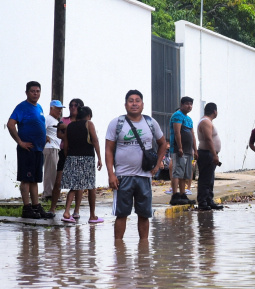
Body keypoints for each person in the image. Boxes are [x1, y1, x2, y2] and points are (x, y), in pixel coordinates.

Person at [105, 89, 168, 239]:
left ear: (143, 104)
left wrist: (158, 164)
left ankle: (143, 251)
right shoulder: (117, 123)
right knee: (121, 214)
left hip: (144, 176)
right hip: (122, 176)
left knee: (144, 214)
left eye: (137, 100)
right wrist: (111, 174)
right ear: (125, 105)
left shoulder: (151, 123)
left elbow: (163, 143)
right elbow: (108, 149)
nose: (134, 103)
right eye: (131, 101)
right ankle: (118, 250)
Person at [7, 81, 52, 219]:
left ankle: (35, 206)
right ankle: (26, 208)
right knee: (26, 179)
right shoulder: (22, 107)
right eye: (33, 91)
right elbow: (10, 124)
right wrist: (20, 142)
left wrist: (44, 136)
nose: (35, 93)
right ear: (27, 92)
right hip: (27, 149)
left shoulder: (39, 107)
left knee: (35, 179)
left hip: (38, 149)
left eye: (38, 91)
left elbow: (37, 125)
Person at [61, 106, 103, 223]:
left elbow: (66, 145)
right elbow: (95, 140)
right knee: (91, 187)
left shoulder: (70, 126)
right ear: (88, 115)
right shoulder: (89, 124)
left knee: (74, 186)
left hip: (71, 158)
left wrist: (67, 157)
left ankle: (67, 211)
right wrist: (99, 158)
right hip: (87, 158)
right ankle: (92, 215)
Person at [168, 97, 197, 205]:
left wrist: (195, 150)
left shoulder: (189, 119)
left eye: (191, 104)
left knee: (185, 174)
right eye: (187, 104)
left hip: (188, 150)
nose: (189, 106)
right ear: (181, 104)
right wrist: (180, 147)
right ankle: (175, 195)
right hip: (178, 150)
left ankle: (182, 194)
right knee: (177, 172)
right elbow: (177, 133)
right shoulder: (177, 115)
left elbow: (193, 135)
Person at [197, 102, 223, 211]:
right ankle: (203, 202)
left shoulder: (207, 121)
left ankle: (209, 200)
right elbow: (208, 139)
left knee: (210, 179)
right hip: (207, 154)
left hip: (209, 153)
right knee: (205, 179)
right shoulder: (206, 122)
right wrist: (214, 155)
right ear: (214, 111)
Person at [42, 100, 63, 204]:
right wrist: (44, 137)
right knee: (50, 172)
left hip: (55, 147)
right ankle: (48, 194)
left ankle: (51, 193)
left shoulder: (55, 120)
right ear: (51, 108)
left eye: (60, 109)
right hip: (50, 147)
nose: (59, 111)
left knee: (54, 172)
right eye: (57, 108)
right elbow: (41, 129)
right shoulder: (48, 119)